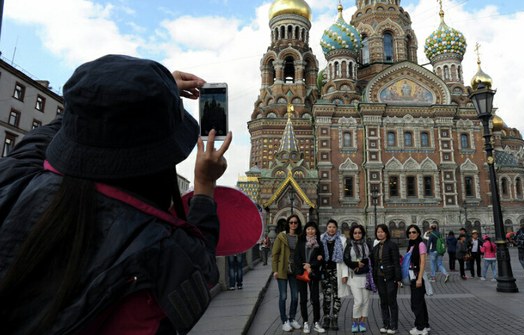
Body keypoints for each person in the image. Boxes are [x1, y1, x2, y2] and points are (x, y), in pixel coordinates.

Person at [0, 55, 231, 334]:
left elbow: (59, 132)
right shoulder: (161, 252)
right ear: (161, 159)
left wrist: (128, 98)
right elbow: (202, 262)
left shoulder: (14, 181)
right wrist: (204, 186)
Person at [273, 214, 303, 331]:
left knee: (295, 296)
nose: (293, 224)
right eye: (291, 222)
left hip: (295, 270)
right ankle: (284, 321)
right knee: (283, 296)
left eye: (295, 222)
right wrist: (275, 270)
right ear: (288, 224)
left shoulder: (299, 237)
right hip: (282, 269)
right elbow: (275, 254)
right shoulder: (281, 237)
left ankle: (292, 318)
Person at [294, 221, 326, 334]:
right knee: (303, 299)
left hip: (313, 273)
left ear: (316, 230)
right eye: (308, 229)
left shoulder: (319, 243)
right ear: (305, 230)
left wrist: (311, 266)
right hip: (302, 274)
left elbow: (321, 259)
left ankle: (316, 322)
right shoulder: (301, 242)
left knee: (315, 298)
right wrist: (305, 266)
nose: (310, 231)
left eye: (312, 229)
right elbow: (296, 257)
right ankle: (305, 322)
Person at [371, 224, 401, 334]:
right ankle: (386, 324)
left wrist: (398, 278)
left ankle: (394, 326)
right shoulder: (375, 247)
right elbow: (372, 263)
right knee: (383, 302)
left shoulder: (392, 245)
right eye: (378, 232)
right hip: (379, 277)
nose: (380, 233)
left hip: (390, 277)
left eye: (382, 231)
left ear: (386, 233)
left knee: (392, 301)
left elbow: (396, 262)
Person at [320, 219, 348, 331]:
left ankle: (335, 318)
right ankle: (326, 318)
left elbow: (345, 259)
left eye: (333, 227)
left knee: (337, 296)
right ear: (326, 228)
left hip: (338, 271)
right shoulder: (321, 239)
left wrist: (345, 274)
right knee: (326, 297)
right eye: (329, 227)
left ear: (336, 229)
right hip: (325, 271)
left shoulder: (342, 240)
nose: (331, 229)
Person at [343, 225, 372, 333]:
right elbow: (346, 259)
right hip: (354, 277)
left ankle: (362, 322)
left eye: (359, 232)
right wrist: (355, 263)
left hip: (366, 276)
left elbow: (371, 258)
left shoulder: (367, 244)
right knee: (358, 301)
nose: (357, 235)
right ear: (352, 234)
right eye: (355, 233)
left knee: (365, 301)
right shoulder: (349, 245)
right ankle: (355, 322)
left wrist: (363, 263)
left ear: (362, 233)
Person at [406, 225, 430, 335]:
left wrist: (419, 278)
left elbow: (423, 262)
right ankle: (425, 325)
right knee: (420, 303)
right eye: (409, 232)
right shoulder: (411, 245)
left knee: (416, 303)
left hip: (417, 276)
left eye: (414, 232)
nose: (411, 234)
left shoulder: (420, 244)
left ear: (418, 233)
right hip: (412, 276)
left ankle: (420, 328)